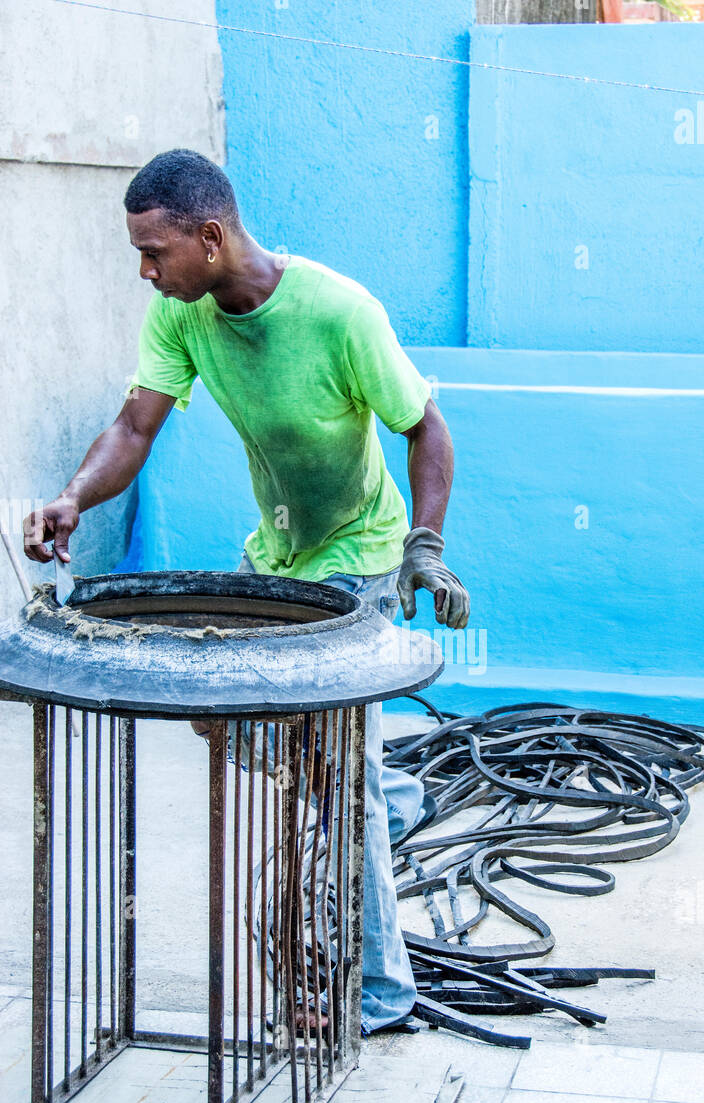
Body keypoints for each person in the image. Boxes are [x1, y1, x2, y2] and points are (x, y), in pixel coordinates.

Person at [23, 147, 470, 1035]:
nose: (147, 274)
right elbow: (133, 424)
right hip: (275, 558)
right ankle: (377, 778)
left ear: (212, 236)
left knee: (343, 787)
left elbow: (427, 431)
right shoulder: (183, 319)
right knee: (222, 712)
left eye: (156, 253)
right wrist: (73, 497)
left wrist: (426, 546)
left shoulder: (341, 314)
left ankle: (376, 995)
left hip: (360, 561)